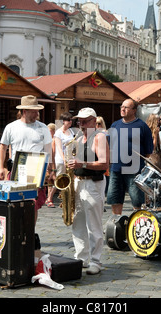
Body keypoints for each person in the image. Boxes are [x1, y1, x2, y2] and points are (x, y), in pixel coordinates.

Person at [0, 95, 55, 223]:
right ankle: (15, 232)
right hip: (17, 169)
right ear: (25, 111)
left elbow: (48, 150)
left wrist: (52, 170)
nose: (37, 114)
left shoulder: (43, 128)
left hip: (36, 171)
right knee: (14, 202)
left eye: (37, 111)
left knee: (32, 204)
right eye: (34, 111)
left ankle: (29, 234)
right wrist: (1, 168)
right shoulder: (11, 127)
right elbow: (2, 148)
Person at [67, 107, 109, 274]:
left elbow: (105, 163)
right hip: (78, 182)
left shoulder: (99, 137)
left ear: (93, 121)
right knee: (77, 223)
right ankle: (81, 258)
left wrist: (81, 164)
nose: (81, 124)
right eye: (79, 121)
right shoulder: (78, 137)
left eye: (84, 121)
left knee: (94, 224)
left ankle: (96, 261)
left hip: (93, 183)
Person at [107, 99, 153, 215]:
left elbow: (148, 152)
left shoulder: (142, 126)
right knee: (115, 198)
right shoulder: (115, 125)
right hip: (116, 169)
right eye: (122, 106)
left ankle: (137, 225)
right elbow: (110, 146)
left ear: (134, 110)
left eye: (126, 107)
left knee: (137, 201)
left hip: (134, 170)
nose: (123, 109)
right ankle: (117, 224)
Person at [46, 112, 75, 208]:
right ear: (63, 121)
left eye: (71, 120)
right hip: (60, 160)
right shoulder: (58, 132)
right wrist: (64, 159)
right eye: (68, 120)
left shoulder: (71, 131)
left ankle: (66, 199)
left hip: (70, 158)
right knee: (59, 179)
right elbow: (58, 147)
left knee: (70, 179)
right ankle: (49, 198)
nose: (70, 122)